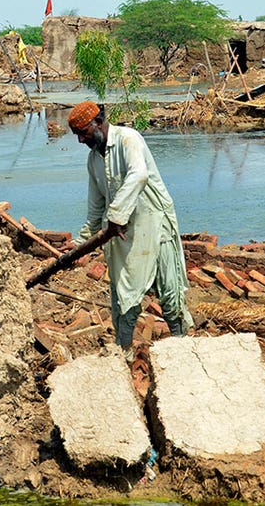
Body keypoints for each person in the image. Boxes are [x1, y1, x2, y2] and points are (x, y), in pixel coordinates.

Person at [67, 101, 192, 358]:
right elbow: (95, 208)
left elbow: (139, 175)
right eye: (77, 135)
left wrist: (116, 216)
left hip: (156, 225)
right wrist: (79, 243)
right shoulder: (94, 161)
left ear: (98, 123)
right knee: (124, 300)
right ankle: (122, 355)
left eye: (84, 133)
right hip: (125, 234)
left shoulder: (128, 139)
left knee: (170, 297)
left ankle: (184, 353)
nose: (80, 140)